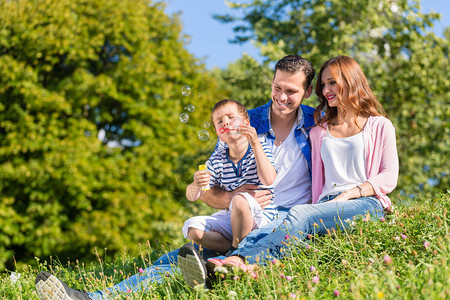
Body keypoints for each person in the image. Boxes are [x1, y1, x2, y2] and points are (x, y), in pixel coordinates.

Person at [35, 54, 317, 299]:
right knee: (177, 256)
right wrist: (234, 196)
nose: (281, 97)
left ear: (307, 92)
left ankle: (220, 272)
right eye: (276, 87)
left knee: (209, 255)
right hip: (241, 217)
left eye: (291, 91)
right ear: (271, 83)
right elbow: (208, 188)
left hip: (284, 221)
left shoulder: (317, 125)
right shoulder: (242, 122)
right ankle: (93, 298)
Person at [200, 55, 399, 273]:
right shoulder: (320, 130)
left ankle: (239, 260)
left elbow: (389, 176)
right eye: (324, 84)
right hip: (313, 206)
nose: (326, 90)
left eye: (332, 82)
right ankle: (223, 269)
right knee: (187, 249)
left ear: (307, 91)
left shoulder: (376, 125)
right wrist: (226, 195)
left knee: (300, 215)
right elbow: (207, 186)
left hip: (362, 202)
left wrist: (350, 194)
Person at [183, 99, 277, 255]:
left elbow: (269, 179)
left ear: (246, 123)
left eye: (231, 117)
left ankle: (236, 253)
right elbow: (192, 196)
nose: (225, 123)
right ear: (217, 132)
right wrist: (196, 183)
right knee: (193, 230)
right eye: (219, 121)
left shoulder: (260, 147)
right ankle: (230, 249)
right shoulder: (217, 159)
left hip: (262, 215)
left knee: (240, 199)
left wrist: (254, 143)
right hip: (234, 216)